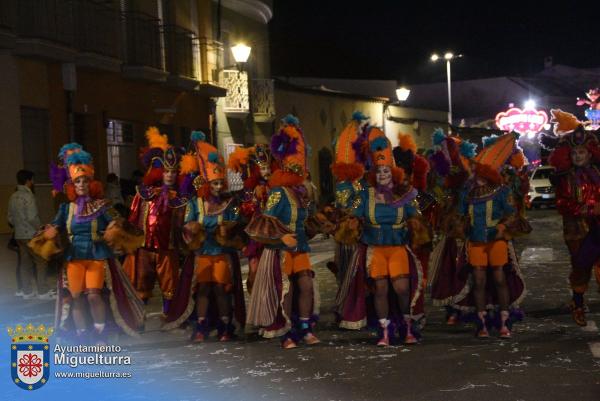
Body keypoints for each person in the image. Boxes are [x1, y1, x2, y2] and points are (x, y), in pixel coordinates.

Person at [32, 145, 145, 343]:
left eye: (85, 180)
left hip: (96, 256)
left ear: (91, 183)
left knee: (93, 296)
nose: (82, 184)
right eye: (78, 181)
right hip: (74, 257)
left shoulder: (100, 207)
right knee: (76, 298)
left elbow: (115, 224)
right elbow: (54, 226)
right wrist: (49, 232)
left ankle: (100, 332)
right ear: (71, 185)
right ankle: (82, 334)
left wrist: (115, 227)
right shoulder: (66, 209)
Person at [347, 126, 427, 346]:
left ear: (394, 173)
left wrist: (418, 228)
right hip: (375, 249)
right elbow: (349, 215)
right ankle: (384, 331)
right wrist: (351, 221)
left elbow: (420, 217)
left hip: (398, 248)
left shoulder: (406, 195)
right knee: (380, 290)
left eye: (386, 171)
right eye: (379, 171)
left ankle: (408, 326)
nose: (383, 175)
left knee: (402, 289)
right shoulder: (364, 195)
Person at [245, 115, 320, 349]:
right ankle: (288, 330)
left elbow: (306, 221)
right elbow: (261, 225)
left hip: (300, 248)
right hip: (282, 250)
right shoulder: (277, 193)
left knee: (306, 285)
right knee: (286, 291)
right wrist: (281, 237)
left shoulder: (300, 194)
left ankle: (305, 327)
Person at [162, 131, 245, 342]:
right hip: (202, 253)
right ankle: (201, 326)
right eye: (214, 184)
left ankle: (225, 325)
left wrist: (229, 229)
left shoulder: (228, 204)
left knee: (220, 289)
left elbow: (236, 224)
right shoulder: (195, 204)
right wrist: (192, 228)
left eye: (220, 183)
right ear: (207, 184)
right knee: (203, 289)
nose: (218, 187)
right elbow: (185, 226)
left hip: (221, 254)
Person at [541, 109, 600, 326]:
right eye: (574, 154)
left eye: (582, 153)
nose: (578, 156)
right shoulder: (565, 177)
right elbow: (562, 202)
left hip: (599, 225)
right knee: (580, 267)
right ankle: (577, 303)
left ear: (590, 153)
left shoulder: (598, 173)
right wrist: (582, 209)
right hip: (577, 229)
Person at [123, 128, 190, 316]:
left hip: (167, 249)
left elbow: (185, 221)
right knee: (141, 284)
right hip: (144, 248)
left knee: (170, 286)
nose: (169, 175)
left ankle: (169, 317)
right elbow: (133, 219)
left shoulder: (180, 199)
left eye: (173, 172)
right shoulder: (144, 195)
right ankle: (139, 318)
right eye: (166, 171)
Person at [227, 144, 277, 293]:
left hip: (272, 234)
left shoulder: (276, 188)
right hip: (254, 236)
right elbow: (242, 212)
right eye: (262, 168)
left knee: (270, 270)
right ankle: (256, 297)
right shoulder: (248, 191)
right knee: (254, 267)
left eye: (268, 168)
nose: (266, 171)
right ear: (256, 171)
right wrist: (254, 199)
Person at [7, 169, 52, 299]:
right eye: (33, 179)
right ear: (28, 181)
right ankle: (42, 291)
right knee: (41, 261)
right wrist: (41, 229)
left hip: (19, 235)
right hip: (31, 234)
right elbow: (32, 217)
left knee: (24, 263)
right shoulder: (29, 196)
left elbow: (9, 218)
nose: (33, 182)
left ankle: (27, 291)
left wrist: (19, 226)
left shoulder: (13, 196)